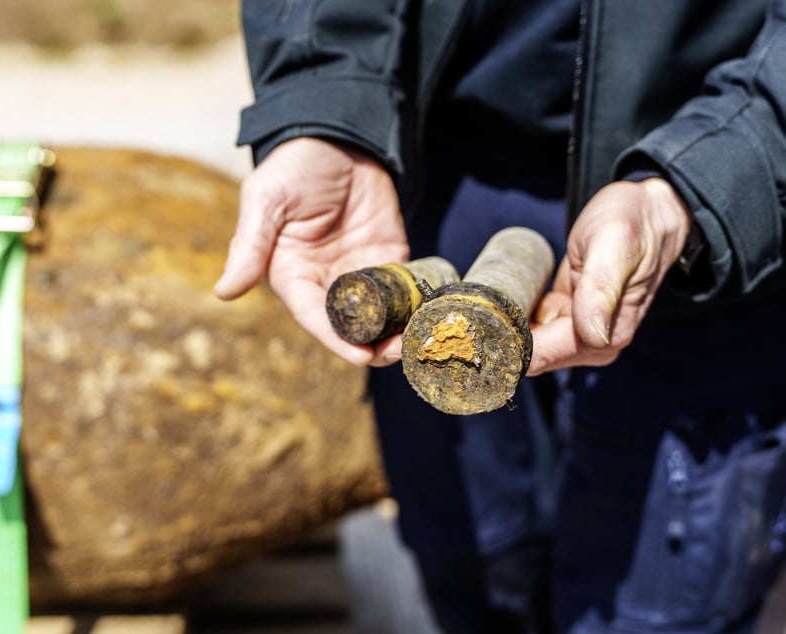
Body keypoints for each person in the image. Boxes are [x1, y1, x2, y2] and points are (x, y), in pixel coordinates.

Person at [215, 1, 786, 632]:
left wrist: (707, 184)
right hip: (433, 174)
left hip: (695, 211)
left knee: (658, 604)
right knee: (476, 568)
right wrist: (321, 107)